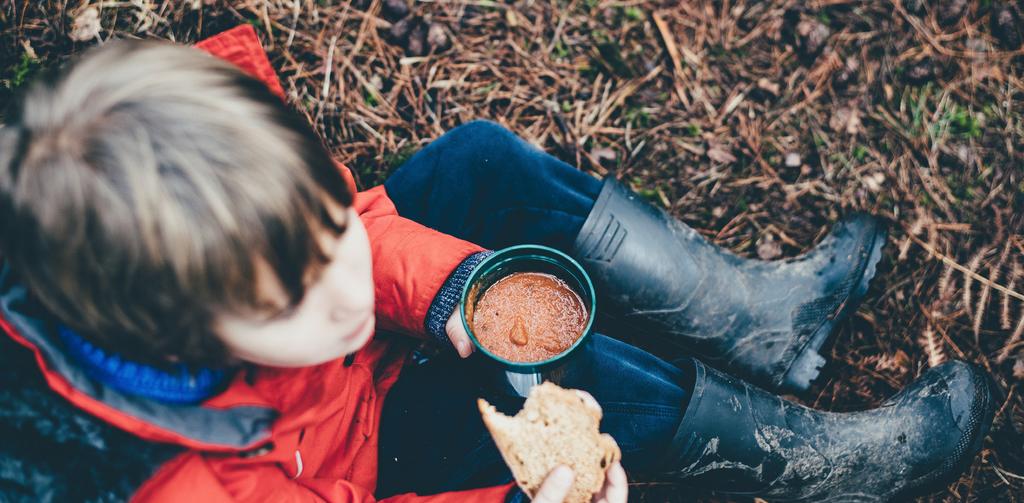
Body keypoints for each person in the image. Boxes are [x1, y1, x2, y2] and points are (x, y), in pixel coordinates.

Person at [0, 25, 995, 503]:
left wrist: (442, 293)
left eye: (327, 235)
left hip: (351, 378)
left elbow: (360, 220)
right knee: (580, 386)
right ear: (176, 335)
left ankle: (768, 321)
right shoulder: (172, 481)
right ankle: (818, 469)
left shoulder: (202, 182)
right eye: (301, 291)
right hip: (361, 469)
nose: (346, 284)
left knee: (477, 163)